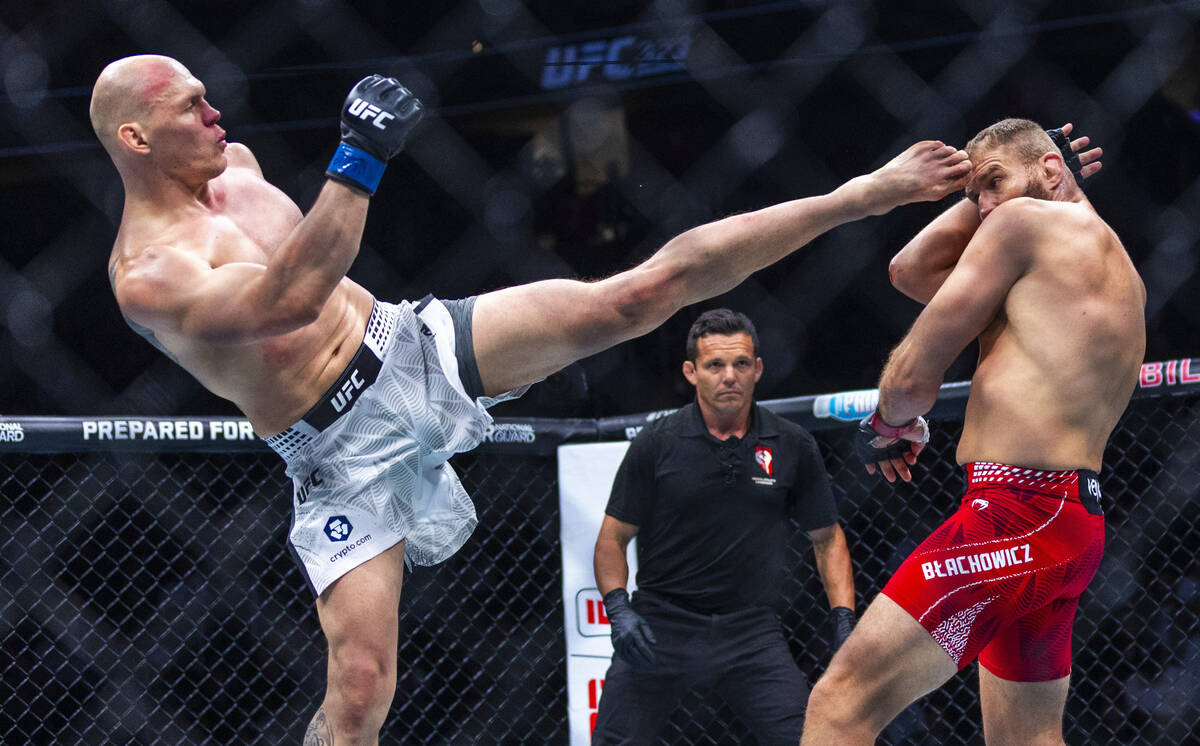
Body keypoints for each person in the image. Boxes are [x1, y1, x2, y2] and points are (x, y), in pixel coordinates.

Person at [89, 53, 970, 745]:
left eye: (208, 99)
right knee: (358, 694)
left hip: (407, 347)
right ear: (136, 139)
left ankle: (856, 196)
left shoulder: (236, 168)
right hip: (337, 450)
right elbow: (288, 299)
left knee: (632, 296)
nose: (216, 114)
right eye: (190, 108)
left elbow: (328, 274)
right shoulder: (147, 274)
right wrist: (357, 160)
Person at [801, 118, 1144, 745]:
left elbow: (911, 373)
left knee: (839, 705)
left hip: (1013, 513)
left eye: (991, 185)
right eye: (973, 199)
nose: (984, 208)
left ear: (1050, 170)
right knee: (1027, 739)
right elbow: (911, 270)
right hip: (1070, 529)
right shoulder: (1117, 274)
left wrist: (888, 425)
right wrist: (991, 185)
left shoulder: (1026, 226)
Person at [591, 309, 855, 745]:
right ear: (691, 372)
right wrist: (619, 611)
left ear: (758, 369)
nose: (729, 376)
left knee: (809, 739)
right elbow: (613, 538)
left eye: (741, 364)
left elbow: (828, 539)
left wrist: (843, 620)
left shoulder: (791, 444)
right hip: (663, 623)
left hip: (751, 631)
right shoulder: (658, 443)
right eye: (715, 365)